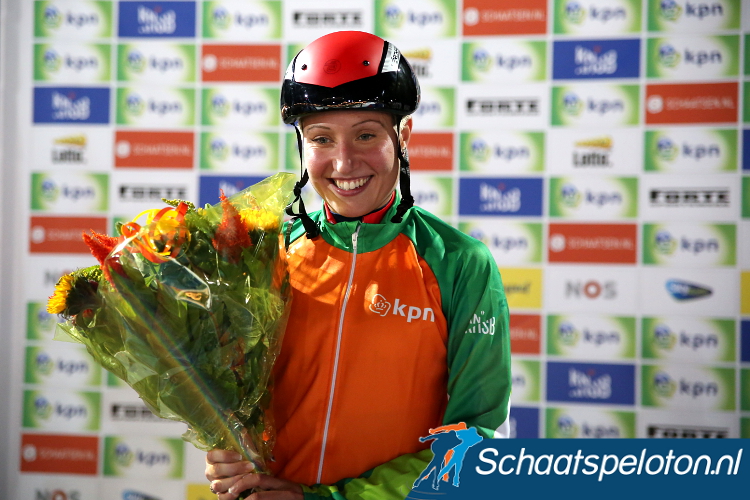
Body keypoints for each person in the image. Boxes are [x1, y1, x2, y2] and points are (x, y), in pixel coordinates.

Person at [205, 30, 511, 500]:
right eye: (321, 138)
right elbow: (237, 397)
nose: (344, 162)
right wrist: (228, 446)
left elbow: (476, 441)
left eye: (366, 134)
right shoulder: (266, 257)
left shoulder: (459, 264)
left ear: (403, 135)